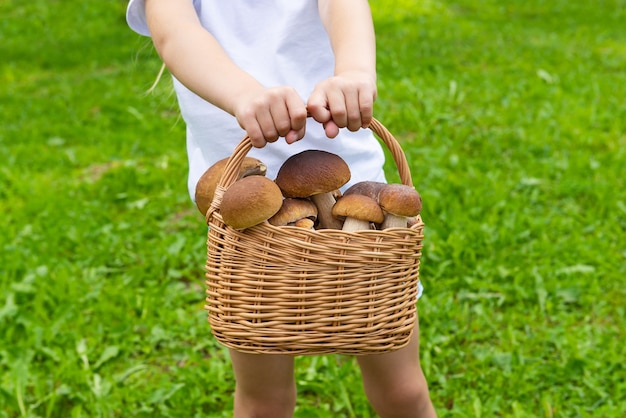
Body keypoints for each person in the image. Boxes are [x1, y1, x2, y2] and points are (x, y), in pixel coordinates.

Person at [126, 1, 436, 416]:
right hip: (248, 212)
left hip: (353, 193)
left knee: (402, 389)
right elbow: (175, 34)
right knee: (263, 399)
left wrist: (355, 73)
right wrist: (244, 96)